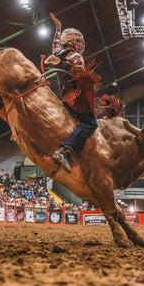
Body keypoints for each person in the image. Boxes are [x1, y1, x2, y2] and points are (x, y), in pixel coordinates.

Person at [46, 13, 101, 173]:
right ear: (72, 42)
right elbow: (79, 77)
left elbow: (55, 46)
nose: (79, 44)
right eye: (77, 41)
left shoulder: (58, 53)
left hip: (62, 97)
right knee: (91, 123)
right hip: (73, 98)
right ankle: (65, 150)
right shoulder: (76, 56)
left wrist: (58, 28)